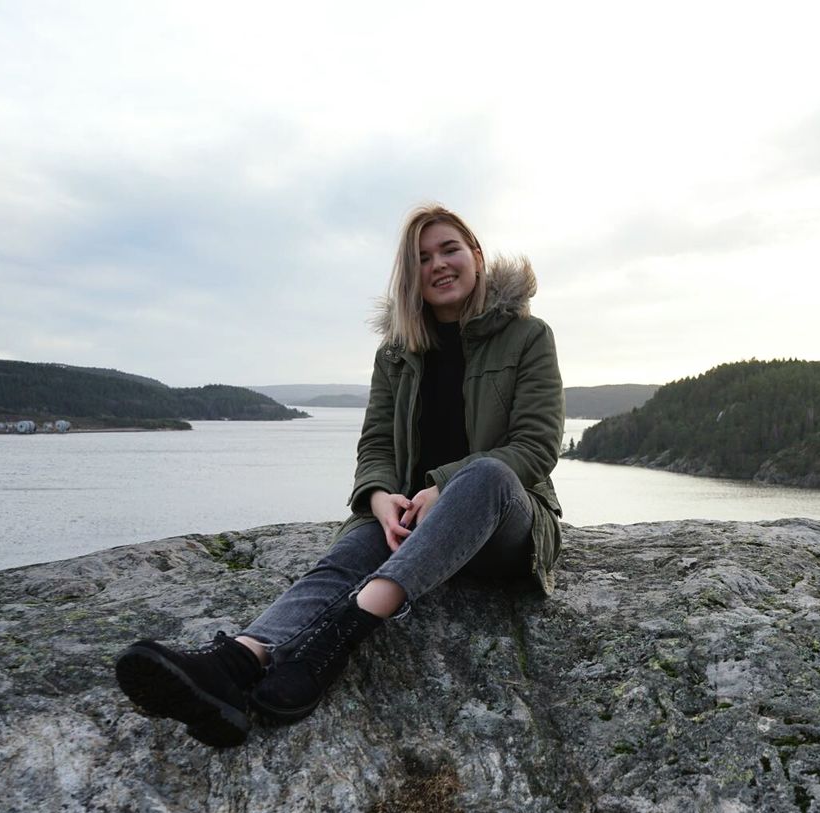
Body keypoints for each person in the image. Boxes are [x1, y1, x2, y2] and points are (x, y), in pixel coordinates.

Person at [115, 204, 564, 747]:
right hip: (413, 523)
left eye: (449, 249)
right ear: (410, 275)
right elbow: (375, 443)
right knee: (348, 554)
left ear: (475, 254)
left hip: (504, 527)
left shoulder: (528, 335)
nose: (439, 265)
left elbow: (535, 447)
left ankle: (339, 636)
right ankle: (235, 665)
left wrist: (443, 484)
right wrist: (378, 497)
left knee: (487, 474)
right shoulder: (397, 353)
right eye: (422, 258)